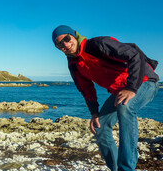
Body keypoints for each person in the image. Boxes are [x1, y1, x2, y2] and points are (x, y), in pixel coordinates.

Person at [51, 25, 159, 171]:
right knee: (99, 126)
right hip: (121, 91)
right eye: (59, 44)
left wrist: (131, 88)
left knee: (125, 106)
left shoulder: (97, 44)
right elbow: (86, 88)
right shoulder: (73, 64)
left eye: (67, 38)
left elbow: (135, 55)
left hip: (145, 81)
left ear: (74, 36)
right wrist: (94, 113)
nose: (65, 44)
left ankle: (126, 168)